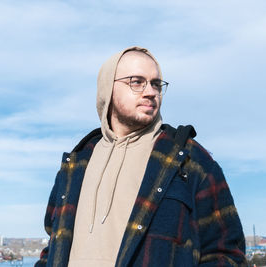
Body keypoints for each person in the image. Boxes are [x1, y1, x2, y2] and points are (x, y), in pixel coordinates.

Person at [35, 46, 246, 266]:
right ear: (108, 88)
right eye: (136, 82)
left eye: (156, 84)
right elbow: (53, 245)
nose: (150, 92)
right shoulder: (76, 164)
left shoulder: (190, 160)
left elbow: (228, 254)